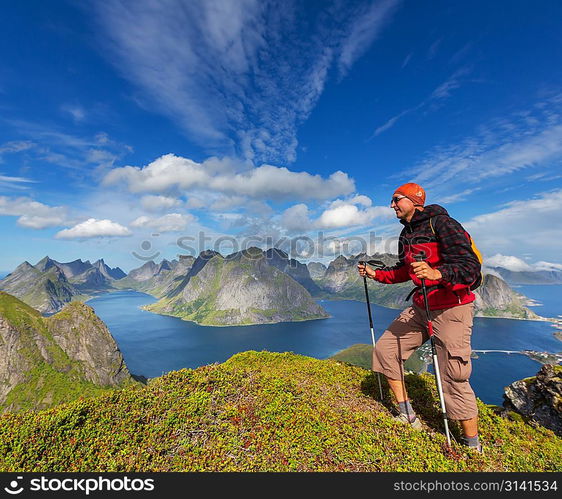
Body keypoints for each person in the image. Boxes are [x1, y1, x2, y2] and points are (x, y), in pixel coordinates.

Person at [357, 182, 482, 452]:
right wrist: (375, 274)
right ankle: (407, 413)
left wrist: (439, 274)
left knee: (454, 374)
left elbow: (470, 267)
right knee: (385, 350)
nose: (392, 205)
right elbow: (404, 271)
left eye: (396, 199)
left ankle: (472, 445)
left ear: (414, 200)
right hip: (421, 305)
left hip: (452, 307)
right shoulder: (407, 234)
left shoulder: (444, 225)